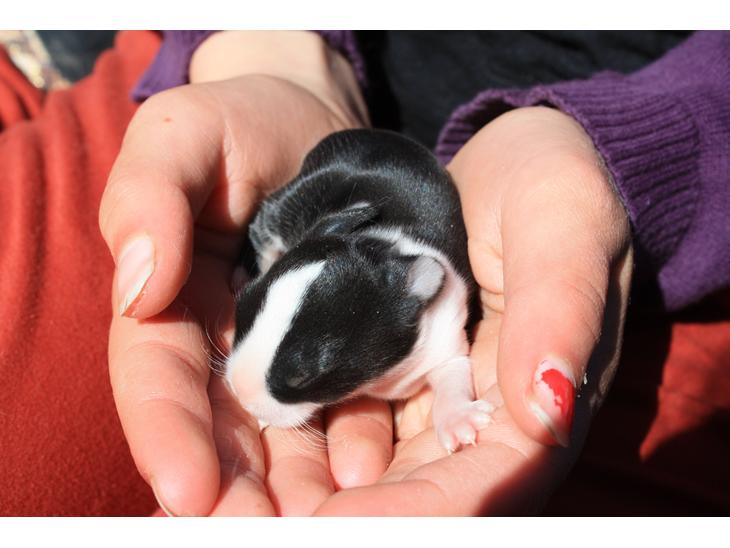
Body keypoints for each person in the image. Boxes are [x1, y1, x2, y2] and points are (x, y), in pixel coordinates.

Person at [0, 30, 727, 516]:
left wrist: (632, 153)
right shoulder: (336, 255)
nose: (246, 392)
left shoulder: (424, 303)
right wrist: (267, 47)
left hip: (646, 244)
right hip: (278, 83)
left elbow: (450, 367)